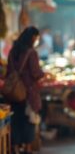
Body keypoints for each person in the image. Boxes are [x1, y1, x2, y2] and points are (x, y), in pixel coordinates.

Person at [6, 26, 44, 154]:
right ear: (33, 37)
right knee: (29, 119)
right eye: (36, 37)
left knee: (15, 119)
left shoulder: (13, 51)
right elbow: (35, 73)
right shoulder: (31, 52)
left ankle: (15, 148)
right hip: (28, 92)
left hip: (13, 92)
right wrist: (43, 73)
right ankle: (27, 148)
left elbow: (8, 72)